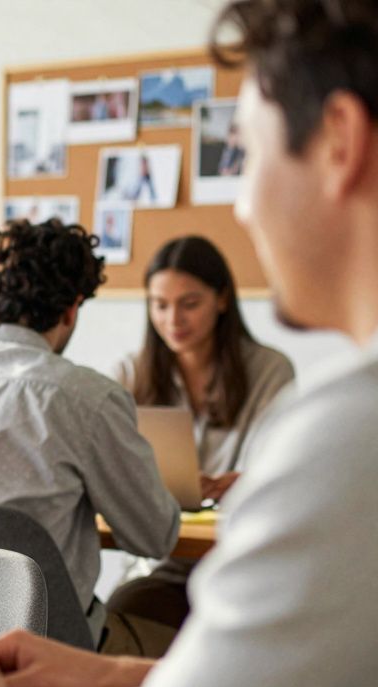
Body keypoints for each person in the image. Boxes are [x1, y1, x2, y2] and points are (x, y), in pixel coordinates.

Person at [0, 0, 378, 687]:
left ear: (339, 143)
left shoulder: (357, 434)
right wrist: (125, 678)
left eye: (245, 155)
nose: (244, 209)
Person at [0, 218, 179, 651]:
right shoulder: (88, 398)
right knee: (185, 646)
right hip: (56, 649)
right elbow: (155, 537)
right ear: (72, 307)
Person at [106, 235, 294, 644]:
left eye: (189, 304)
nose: (173, 319)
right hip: (160, 567)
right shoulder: (129, 374)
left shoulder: (269, 372)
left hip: (238, 562)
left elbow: (279, 470)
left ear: (222, 299)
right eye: (160, 305)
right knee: (118, 619)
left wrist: (243, 481)